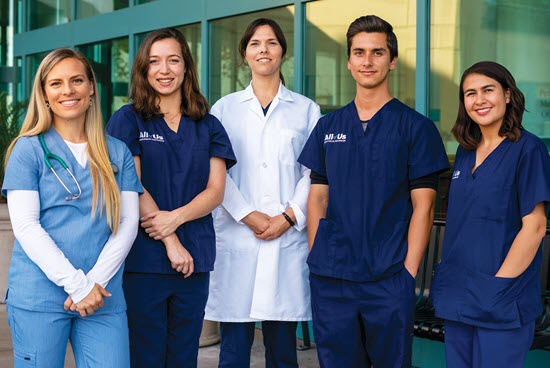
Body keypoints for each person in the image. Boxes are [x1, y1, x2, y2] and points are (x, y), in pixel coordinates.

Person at [297, 15, 450, 367]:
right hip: (332, 277)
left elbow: (424, 207)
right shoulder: (328, 127)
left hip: (389, 276)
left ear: (392, 60)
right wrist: (318, 257)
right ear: (349, 61)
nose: (367, 61)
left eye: (377, 53)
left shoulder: (416, 128)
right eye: (359, 53)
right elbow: (318, 196)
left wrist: (407, 274)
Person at [1, 48, 142, 368]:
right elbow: (25, 226)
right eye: (56, 83)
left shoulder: (116, 151)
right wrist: (78, 286)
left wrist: (94, 284)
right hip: (40, 296)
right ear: (44, 94)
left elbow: (128, 224)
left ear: (92, 87)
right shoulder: (28, 150)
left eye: (77, 80)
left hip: (102, 295)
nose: (68, 90)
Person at [106, 28, 236, 368]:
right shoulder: (128, 119)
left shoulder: (209, 125)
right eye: (155, 61)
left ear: (186, 67)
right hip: (144, 261)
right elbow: (131, 184)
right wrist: (171, 242)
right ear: (144, 70)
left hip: (195, 262)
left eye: (173, 60)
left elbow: (215, 191)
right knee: (145, 355)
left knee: (183, 355)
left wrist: (174, 219)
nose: (164, 70)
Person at [204, 18, 321, 368]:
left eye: (271, 42)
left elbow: (314, 173)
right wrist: (247, 214)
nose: (264, 50)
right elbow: (215, 171)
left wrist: (288, 217)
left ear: (282, 51)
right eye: (255, 43)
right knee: (234, 351)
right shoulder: (223, 109)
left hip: (286, 239)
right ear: (244, 54)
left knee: (283, 352)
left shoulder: (305, 110)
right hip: (237, 237)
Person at [430, 61, 550, 367]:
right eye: (470, 93)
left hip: (501, 297)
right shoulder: (465, 153)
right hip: (459, 293)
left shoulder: (529, 149)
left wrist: (497, 287)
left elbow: (534, 226)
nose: (479, 99)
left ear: (508, 95)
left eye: (488, 90)